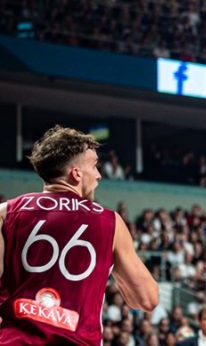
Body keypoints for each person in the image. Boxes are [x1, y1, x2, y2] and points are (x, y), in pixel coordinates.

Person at [0, 125, 158, 345]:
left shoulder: (7, 212)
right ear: (76, 174)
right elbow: (147, 299)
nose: (99, 175)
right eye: (94, 166)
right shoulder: (109, 222)